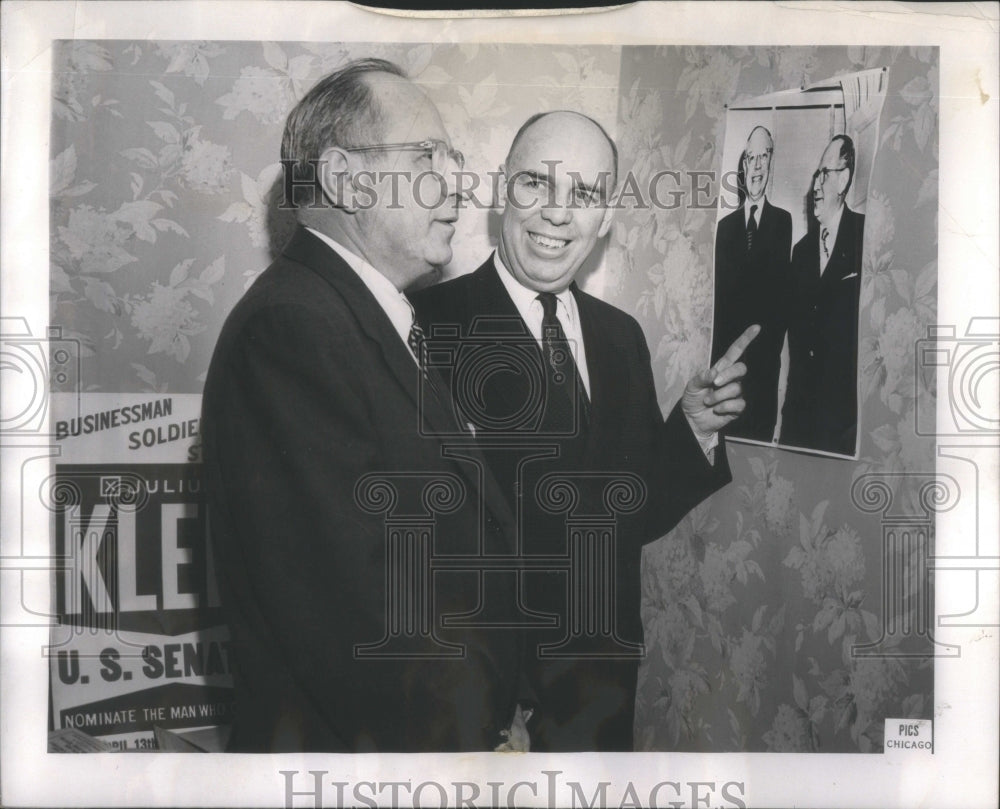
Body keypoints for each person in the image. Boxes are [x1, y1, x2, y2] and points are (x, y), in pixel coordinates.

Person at [202, 59, 523, 752]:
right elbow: (363, 628)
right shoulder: (291, 332)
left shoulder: (359, 316)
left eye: (455, 158)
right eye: (427, 156)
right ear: (347, 179)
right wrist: (476, 755)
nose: (459, 182)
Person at [411, 110, 757, 751]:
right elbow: (412, 553)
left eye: (585, 194)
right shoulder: (425, 327)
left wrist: (691, 428)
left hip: (600, 705)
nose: (557, 214)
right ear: (501, 191)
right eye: (536, 184)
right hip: (483, 715)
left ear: (605, 220)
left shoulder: (619, 337)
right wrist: (484, 710)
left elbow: (631, 513)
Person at [780, 134, 865, 456]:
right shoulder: (800, 253)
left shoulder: (864, 237)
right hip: (798, 420)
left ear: (843, 179)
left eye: (824, 174)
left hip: (842, 424)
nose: (815, 184)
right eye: (816, 175)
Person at [712, 126, 792, 442]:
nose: (757, 166)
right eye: (751, 158)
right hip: (725, 372)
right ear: (743, 168)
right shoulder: (724, 227)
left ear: (770, 164)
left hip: (763, 374)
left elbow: (780, 301)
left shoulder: (783, 222)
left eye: (764, 157)